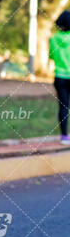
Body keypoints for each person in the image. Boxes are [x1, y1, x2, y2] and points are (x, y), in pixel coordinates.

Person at [49, 10, 70, 143]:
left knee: (63, 106)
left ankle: (64, 136)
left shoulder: (54, 39)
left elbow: (51, 56)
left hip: (60, 77)